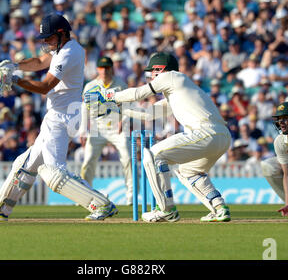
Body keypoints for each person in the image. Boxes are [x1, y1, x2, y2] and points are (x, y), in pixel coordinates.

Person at [0, 13, 118, 221]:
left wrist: (14, 80)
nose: (46, 42)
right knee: (24, 165)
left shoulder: (69, 53)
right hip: (58, 114)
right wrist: (14, 66)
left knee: (53, 172)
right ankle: (0, 209)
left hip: (62, 117)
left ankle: (102, 205)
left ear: (61, 34)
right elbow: (39, 61)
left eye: (49, 37)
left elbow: (45, 87)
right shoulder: (61, 49)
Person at [84, 52, 232, 222]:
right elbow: (149, 113)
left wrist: (108, 96)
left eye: (152, 72)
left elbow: (139, 93)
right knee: (187, 171)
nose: (150, 76)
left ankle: (166, 209)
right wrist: (118, 108)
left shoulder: (171, 76)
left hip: (206, 133)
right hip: (222, 137)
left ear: (160, 69)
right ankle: (219, 207)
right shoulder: (179, 90)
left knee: (152, 155)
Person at [79, 56, 134, 205]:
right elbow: (85, 110)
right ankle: (84, 194)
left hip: (118, 128)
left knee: (128, 158)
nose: (104, 71)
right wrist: (83, 131)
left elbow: (128, 107)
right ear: (97, 69)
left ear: (112, 68)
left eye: (107, 68)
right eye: (101, 68)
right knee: (88, 160)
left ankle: (131, 195)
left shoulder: (120, 85)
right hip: (98, 129)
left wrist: (124, 122)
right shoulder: (90, 86)